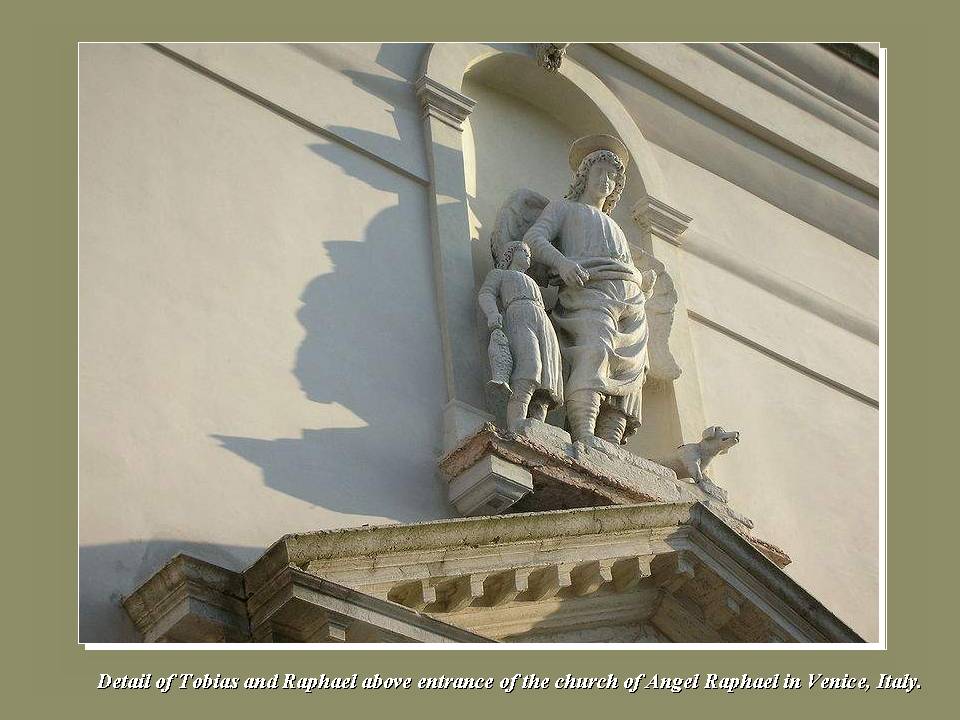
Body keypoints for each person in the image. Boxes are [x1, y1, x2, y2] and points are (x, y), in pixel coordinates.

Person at [522, 135, 656, 446]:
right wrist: (563, 263)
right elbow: (534, 239)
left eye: (612, 177)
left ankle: (609, 443)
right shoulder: (564, 208)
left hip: (631, 302)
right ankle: (582, 433)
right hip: (589, 292)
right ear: (584, 176)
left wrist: (641, 281)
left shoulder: (616, 227)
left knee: (631, 371)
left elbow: (622, 262)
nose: (606, 180)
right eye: (600, 172)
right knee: (595, 350)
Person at [478, 241, 563, 434]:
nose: (528, 256)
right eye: (524, 251)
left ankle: (537, 427)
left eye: (530, 254)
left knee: (547, 379)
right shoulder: (500, 274)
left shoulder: (531, 282)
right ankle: (516, 424)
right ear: (510, 254)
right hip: (518, 316)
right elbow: (486, 293)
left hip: (542, 322)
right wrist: (492, 313)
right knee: (530, 368)